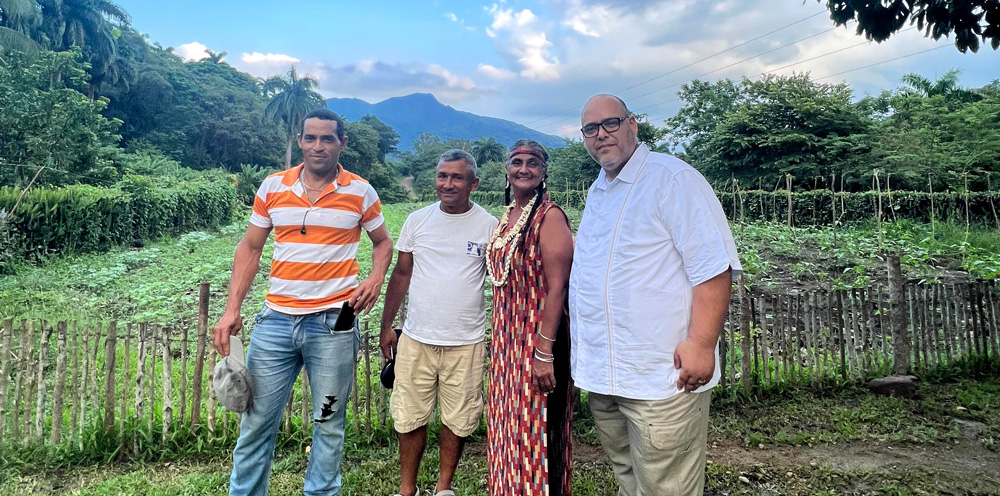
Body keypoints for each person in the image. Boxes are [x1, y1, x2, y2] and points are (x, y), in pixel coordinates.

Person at [212, 108, 393, 496]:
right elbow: (250, 247)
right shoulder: (273, 186)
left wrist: (376, 277)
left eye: (328, 138)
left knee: (328, 421)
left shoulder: (360, 191)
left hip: (334, 326)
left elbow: (383, 241)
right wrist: (231, 310)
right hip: (275, 322)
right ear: (300, 141)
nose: (318, 146)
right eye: (310, 138)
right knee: (256, 420)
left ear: (342, 144)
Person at [569, 95, 742, 496]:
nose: (601, 135)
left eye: (610, 123)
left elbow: (712, 267)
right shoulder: (599, 190)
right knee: (628, 475)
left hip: (661, 375)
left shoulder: (672, 179)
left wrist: (702, 343)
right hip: (607, 375)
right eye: (591, 129)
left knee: (668, 486)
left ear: (633, 124)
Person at [378, 150, 498, 496]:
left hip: (467, 339)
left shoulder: (489, 225)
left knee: (458, 419)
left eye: (457, 177)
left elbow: (500, 279)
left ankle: (444, 487)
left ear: (473, 183)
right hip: (417, 337)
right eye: (442, 176)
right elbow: (401, 273)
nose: (447, 184)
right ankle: (407, 489)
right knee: (410, 415)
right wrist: (388, 326)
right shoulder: (418, 220)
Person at [486, 139, 575, 496]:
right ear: (506, 169)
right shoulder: (506, 217)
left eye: (532, 163)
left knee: (537, 427)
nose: (524, 169)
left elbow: (559, 287)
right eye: (516, 161)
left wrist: (543, 352)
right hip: (508, 339)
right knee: (509, 425)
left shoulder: (549, 216)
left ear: (543, 172)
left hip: (539, 338)